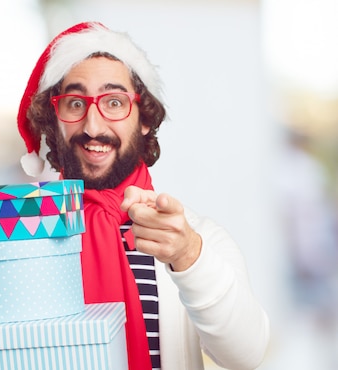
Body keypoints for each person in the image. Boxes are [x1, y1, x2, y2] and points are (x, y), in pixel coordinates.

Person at [16, 22, 270, 370]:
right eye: (75, 103)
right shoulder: (22, 234)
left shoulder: (192, 236)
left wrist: (189, 256)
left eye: (114, 102)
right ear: (54, 119)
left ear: (145, 118)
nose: (93, 126)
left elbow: (246, 355)